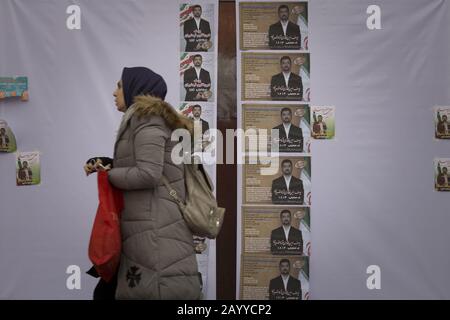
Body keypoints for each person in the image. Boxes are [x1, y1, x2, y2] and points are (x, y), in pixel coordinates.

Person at [84, 67, 201, 300]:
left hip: (155, 234)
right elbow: (150, 164)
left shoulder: (148, 121)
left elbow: (149, 173)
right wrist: (108, 164)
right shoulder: (145, 121)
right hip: (147, 231)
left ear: (134, 88)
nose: (114, 92)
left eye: (119, 86)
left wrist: (110, 175)